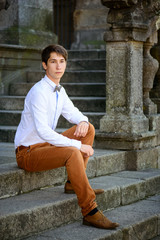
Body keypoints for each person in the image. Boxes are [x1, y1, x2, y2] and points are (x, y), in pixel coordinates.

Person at [14, 44, 119, 229]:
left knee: (89, 129)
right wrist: (78, 146)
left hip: (45, 146)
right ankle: (90, 211)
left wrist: (83, 121)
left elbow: (73, 112)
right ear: (44, 65)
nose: (58, 66)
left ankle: (72, 183)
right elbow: (43, 131)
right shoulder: (38, 92)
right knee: (72, 152)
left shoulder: (59, 90)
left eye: (62, 61)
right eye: (53, 61)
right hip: (28, 153)